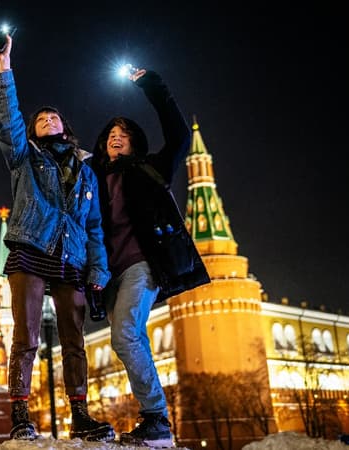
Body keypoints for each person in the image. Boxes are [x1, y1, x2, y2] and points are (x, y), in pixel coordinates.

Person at [0, 32, 115, 442]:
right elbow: (9, 120)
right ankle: (21, 414)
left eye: (52, 117)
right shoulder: (25, 157)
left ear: (64, 126)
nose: (46, 120)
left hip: (71, 259)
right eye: (39, 119)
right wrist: (5, 67)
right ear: (34, 131)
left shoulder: (86, 170)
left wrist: (98, 269)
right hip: (30, 251)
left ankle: (80, 416)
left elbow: (94, 226)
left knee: (74, 341)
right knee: (26, 335)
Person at [91, 67, 211, 447]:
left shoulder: (149, 169)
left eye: (124, 134)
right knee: (128, 338)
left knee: (124, 334)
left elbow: (177, 135)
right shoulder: (91, 177)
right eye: (111, 134)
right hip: (108, 275)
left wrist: (153, 85)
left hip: (142, 265)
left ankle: (157, 418)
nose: (116, 137)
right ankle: (155, 420)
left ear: (134, 143)